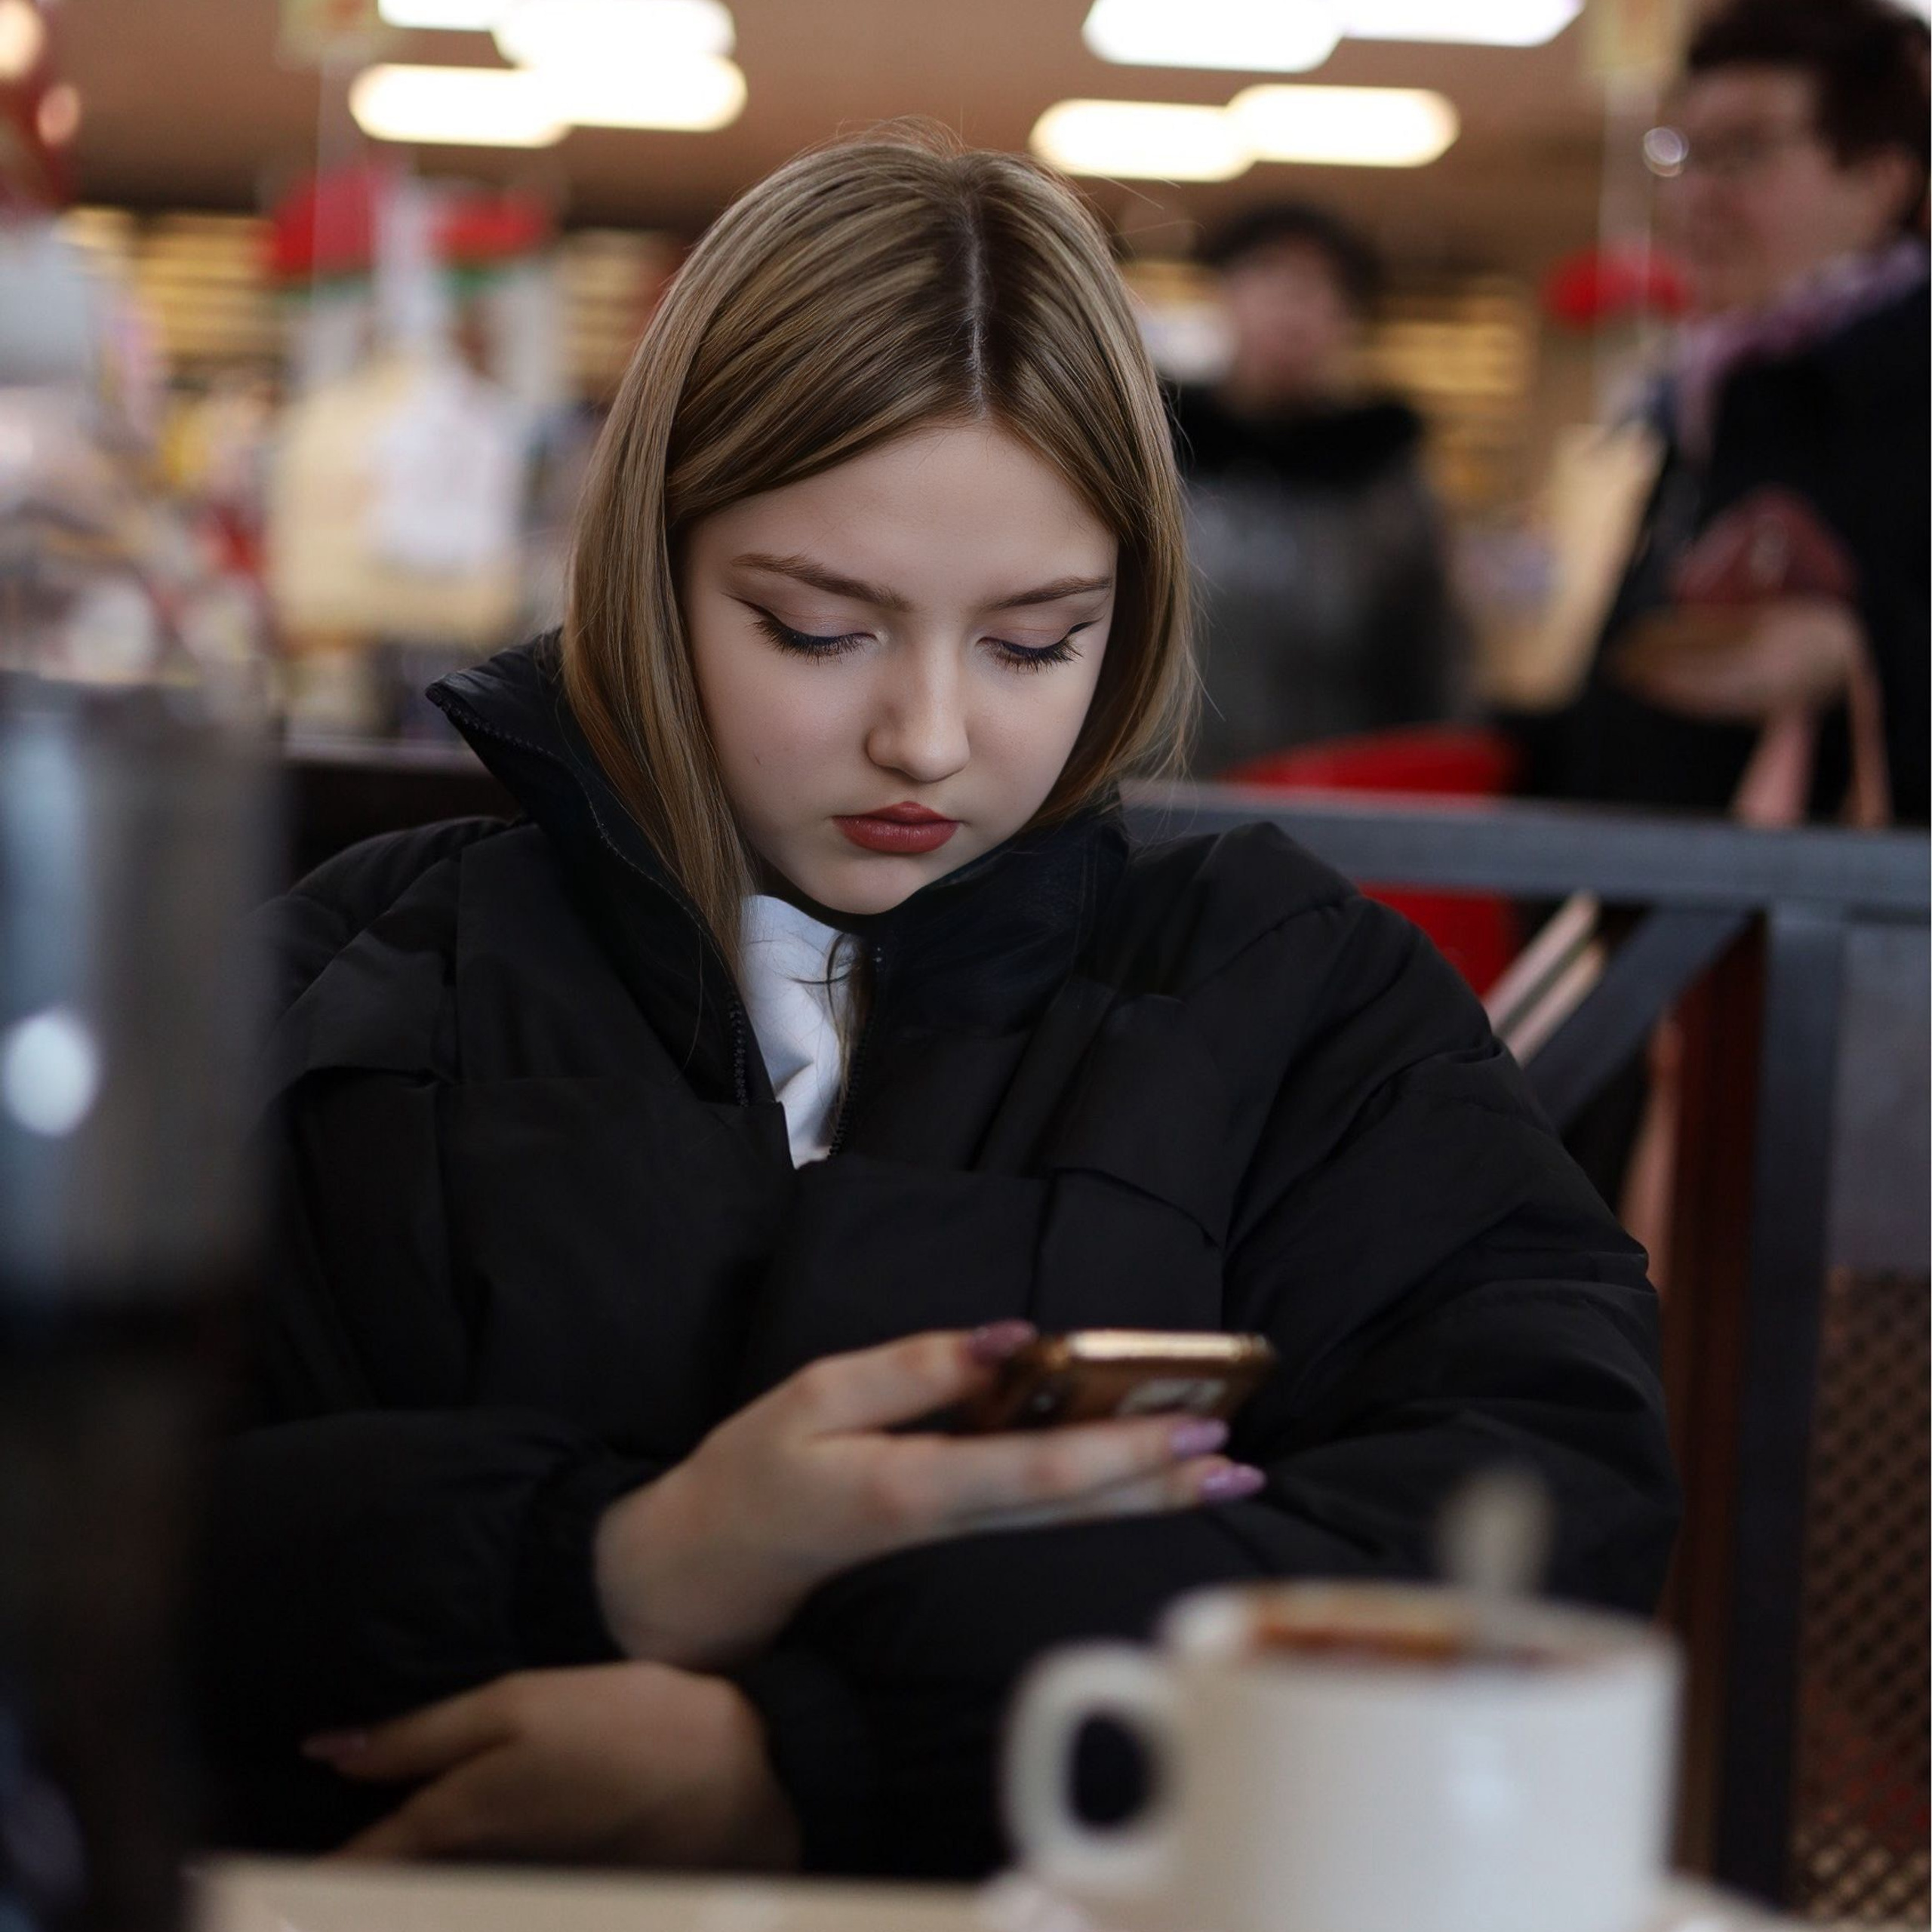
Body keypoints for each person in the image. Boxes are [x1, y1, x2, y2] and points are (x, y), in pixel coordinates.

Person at [198, 132, 1678, 1881]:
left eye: (1035, 640)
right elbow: (82, 1493)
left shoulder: (1287, 987)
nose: (927, 735)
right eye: (816, 630)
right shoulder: (361, 977)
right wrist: (620, 1552)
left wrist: (809, 1750)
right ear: (650, 573)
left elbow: (1535, 1490)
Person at [1561, 0, 1930, 824]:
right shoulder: (1710, 394)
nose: (1695, 197)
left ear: (1879, 182)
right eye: (1685, 153)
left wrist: (1862, 661)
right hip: (1680, 917)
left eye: (1742, 154)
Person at [1170, 203, 1469, 773]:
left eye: (1320, 290)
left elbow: (1432, 649)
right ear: (1224, 292)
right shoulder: (1160, 448)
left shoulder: (1380, 470)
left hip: (1335, 789)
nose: (1293, 310)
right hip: (1167, 785)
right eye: (1271, 278)